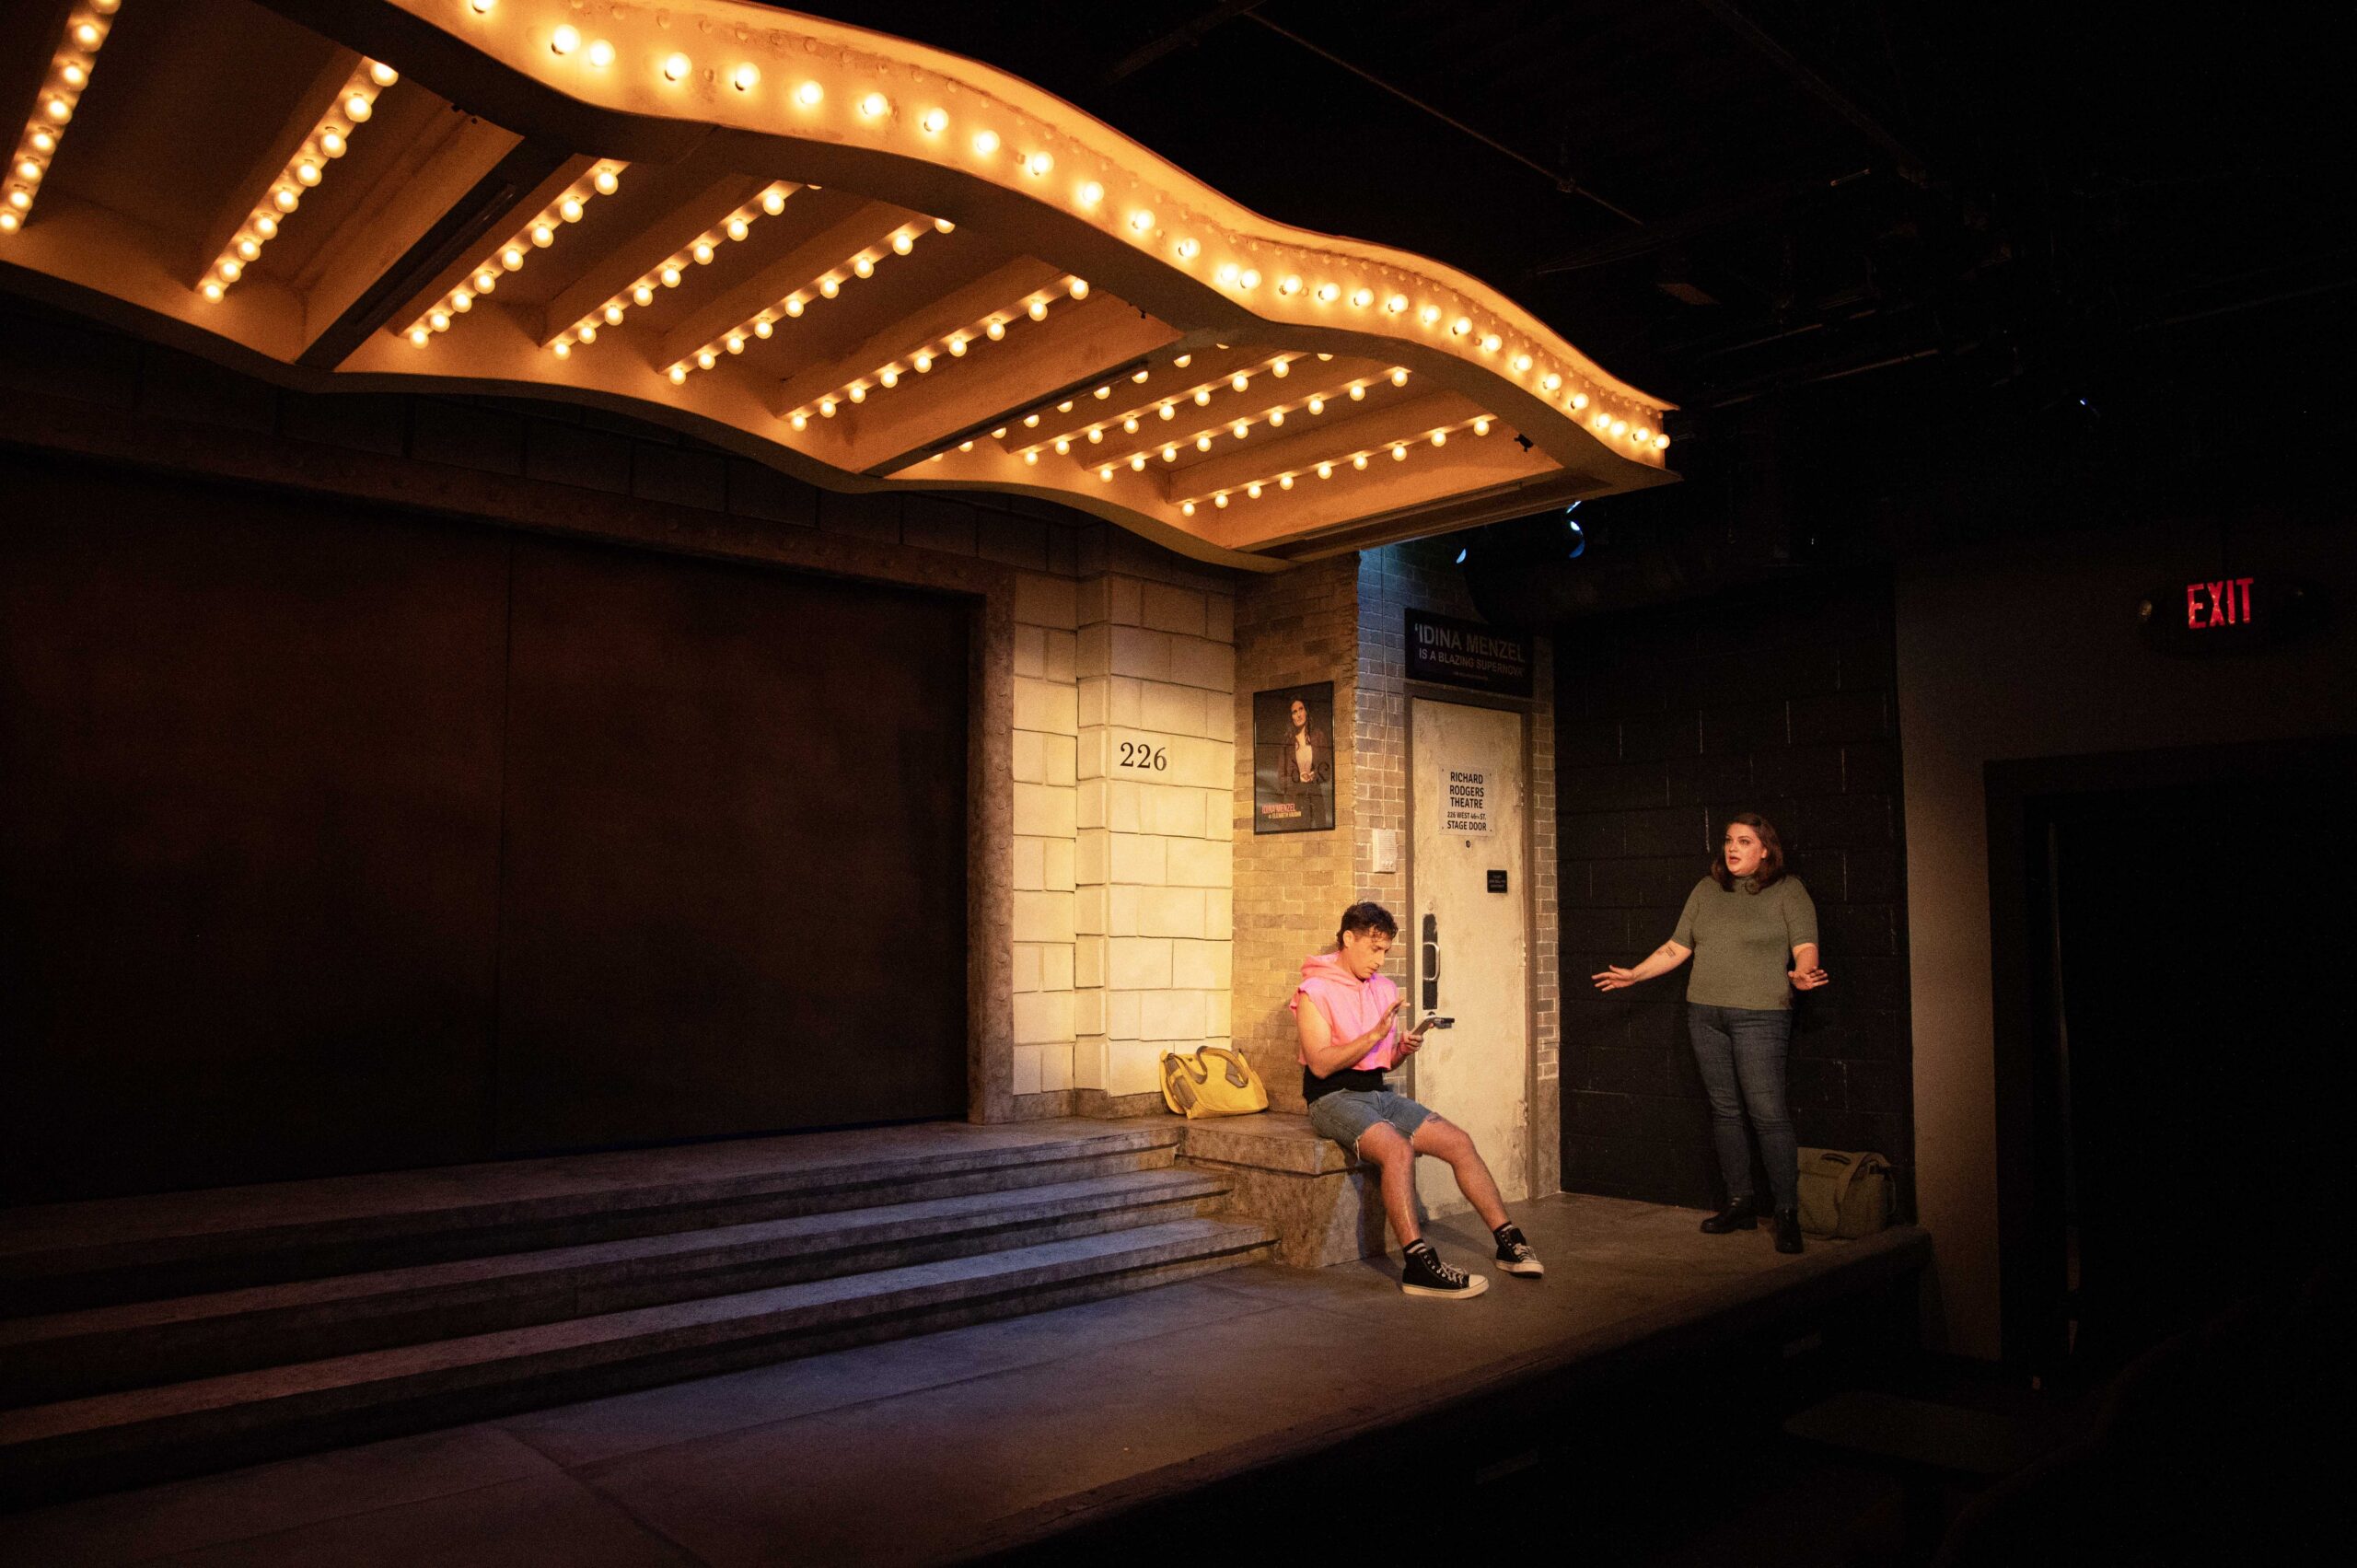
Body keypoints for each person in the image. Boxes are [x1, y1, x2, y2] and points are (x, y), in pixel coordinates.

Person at [1591, 813, 1829, 1253]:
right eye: (1728, 840)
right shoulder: (1706, 889)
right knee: (1725, 1111)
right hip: (1705, 1014)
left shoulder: (1787, 890)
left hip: (1761, 1016)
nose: (1732, 848)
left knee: (1767, 1113)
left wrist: (1803, 973)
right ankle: (1740, 1203)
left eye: (1744, 841)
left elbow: (1805, 945)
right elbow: (1677, 946)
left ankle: (1786, 1212)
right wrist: (1635, 974)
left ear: (1765, 850)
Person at [1292, 900, 1543, 1298]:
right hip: (1332, 1098)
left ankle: (1508, 1241)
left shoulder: (1383, 989)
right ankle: (1418, 1265)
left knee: (1459, 1142)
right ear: (1348, 939)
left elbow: (1383, 1062)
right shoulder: (1314, 991)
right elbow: (1321, 1065)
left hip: (1376, 1093)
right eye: (1374, 949)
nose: (1380, 960)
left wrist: (1401, 1049)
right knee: (1397, 1150)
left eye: (1385, 951)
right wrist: (1374, 1036)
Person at [1278, 696, 1332, 830]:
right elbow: (1281, 780)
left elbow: (1327, 771)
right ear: (1291, 717)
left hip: (1315, 803)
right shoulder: (1287, 742)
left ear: (1306, 711)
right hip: (1294, 805)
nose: (1298, 715)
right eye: (1294, 712)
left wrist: (1315, 775)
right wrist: (1298, 779)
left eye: (1301, 709)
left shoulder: (1318, 736)